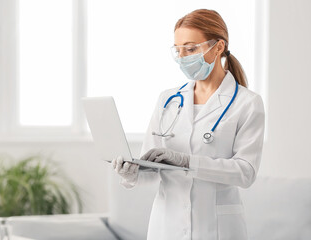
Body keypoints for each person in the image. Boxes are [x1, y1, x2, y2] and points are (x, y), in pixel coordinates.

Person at [112, 9, 265, 240]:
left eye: (191, 49)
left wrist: (187, 162)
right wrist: (132, 174)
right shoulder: (168, 100)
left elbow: (245, 173)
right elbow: (152, 168)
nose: (183, 57)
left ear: (219, 47)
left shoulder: (247, 103)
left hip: (216, 229)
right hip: (167, 227)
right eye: (178, 50)